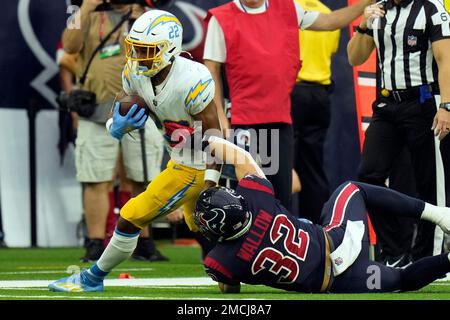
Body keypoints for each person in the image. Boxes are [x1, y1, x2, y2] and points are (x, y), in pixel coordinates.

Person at [48, 9, 222, 292]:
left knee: (130, 215)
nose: (139, 57)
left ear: (169, 49)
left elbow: (215, 135)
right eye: (136, 49)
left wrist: (211, 182)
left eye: (147, 50)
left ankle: (93, 278)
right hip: (178, 160)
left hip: (196, 165)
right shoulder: (135, 72)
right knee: (199, 224)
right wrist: (115, 127)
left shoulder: (192, 78)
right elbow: (118, 109)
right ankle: (237, 264)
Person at [192, 136, 450, 293]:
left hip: (336, 282)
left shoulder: (221, 261)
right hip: (340, 239)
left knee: (402, 280)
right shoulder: (256, 198)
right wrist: (204, 140)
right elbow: (241, 156)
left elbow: (229, 286)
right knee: (353, 189)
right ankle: (440, 215)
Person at [203, 0, 372, 210]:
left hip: (280, 118)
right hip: (244, 120)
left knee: (280, 194)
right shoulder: (221, 18)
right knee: (247, 195)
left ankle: (284, 241)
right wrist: (219, 114)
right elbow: (211, 69)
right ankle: (248, 242)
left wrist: (365, 4)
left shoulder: (287, 7)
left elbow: (330, 21)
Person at [61, 0, 166, 262]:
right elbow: (70, 46)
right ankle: (95, 242)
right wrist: (86, 7)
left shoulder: (146, 11)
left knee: (143, 177)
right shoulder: (79, 10)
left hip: (141, 106)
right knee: (96, 178)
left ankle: (144, 241)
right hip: (96, 107)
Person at [347, 0, 450, 262]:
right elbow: (354, 57)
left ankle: (431, 257)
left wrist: (447, 106)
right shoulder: (378, 10)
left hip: (425, 101)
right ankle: (395, 251)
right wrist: (362, 25)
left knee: (430, 185)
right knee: (368, 174)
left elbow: (445, 58)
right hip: (387, 104)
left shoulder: (430, 7)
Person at [291, 0, 340, 221]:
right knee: (313, 169)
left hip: (292, 92)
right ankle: (316, 231)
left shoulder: (288, 9)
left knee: (280, 165)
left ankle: (276, 229)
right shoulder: (328, 14)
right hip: (320, 96)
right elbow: (332, 50)